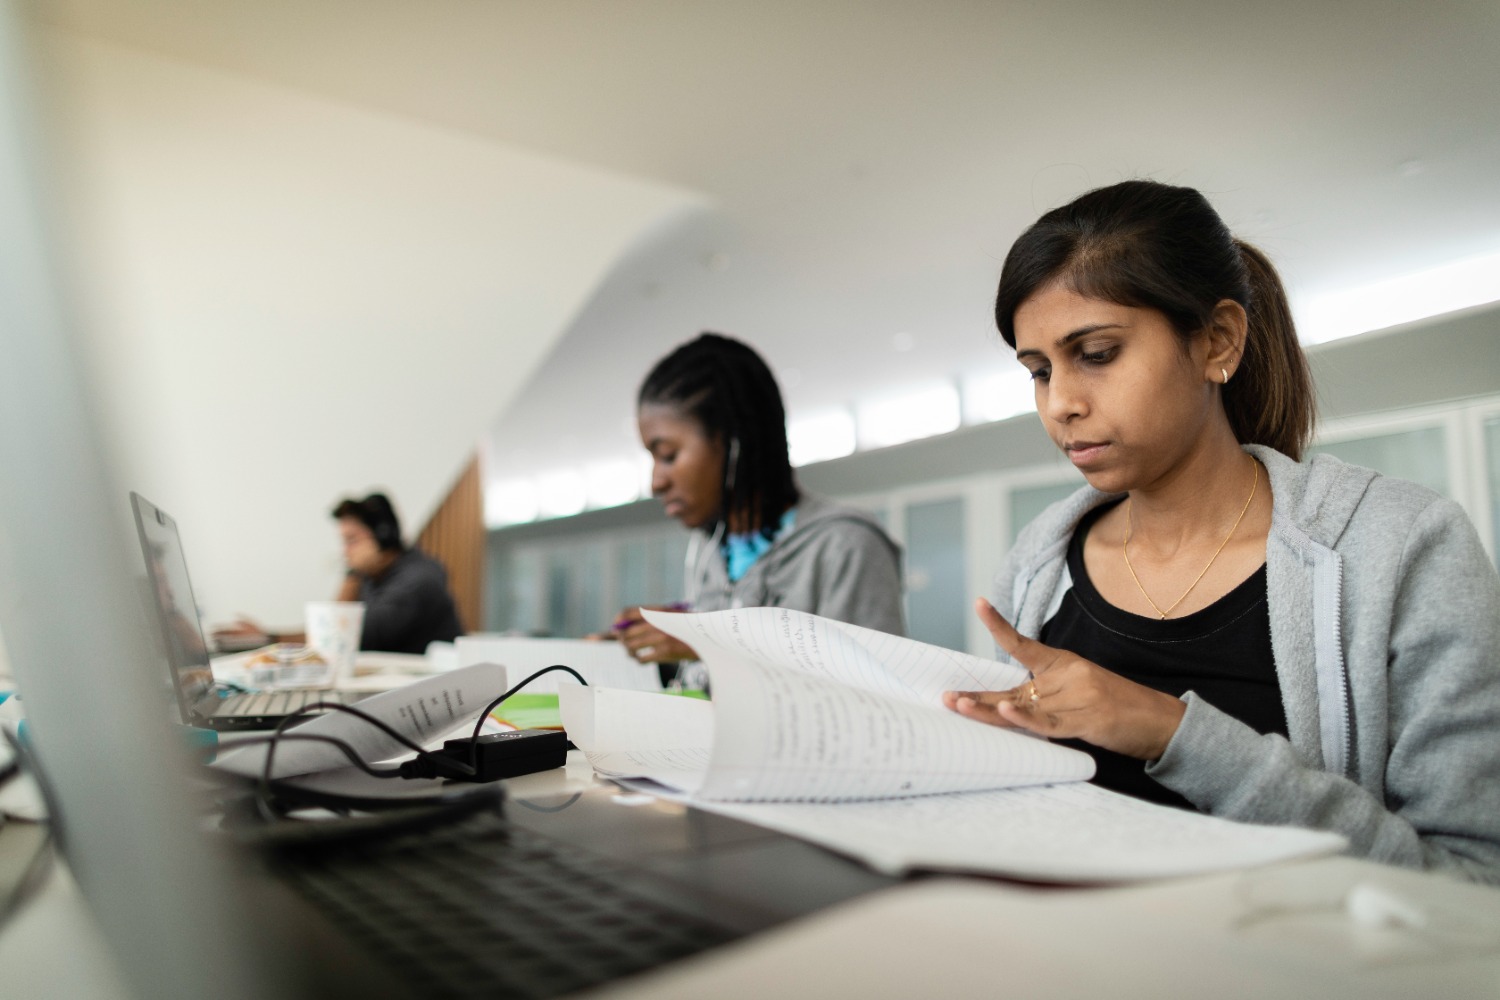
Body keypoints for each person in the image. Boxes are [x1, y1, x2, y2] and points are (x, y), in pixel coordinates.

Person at [942, 180, 1500, 883]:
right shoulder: (1038, 565)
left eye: (1098, 353)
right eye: (1039, 370)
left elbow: (1473, 881)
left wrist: (1171, 733)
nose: (1061, 404)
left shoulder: (1402, 546)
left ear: (1218, 342)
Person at [614, 333, 905, 677]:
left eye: (668, 456)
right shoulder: (710, 552)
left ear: (734, 442)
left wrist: (709, 644)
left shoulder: (845, 546)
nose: (656, 482)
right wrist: (661, 647)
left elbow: (872, 697)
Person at [216, 492, 464, 655]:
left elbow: (339, 638)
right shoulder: (373, 575)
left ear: (384, 535)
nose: (345, 551)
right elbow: (330, 629)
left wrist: (268, 638)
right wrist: (267, 636)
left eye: (352, 540)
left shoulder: (419, 580)